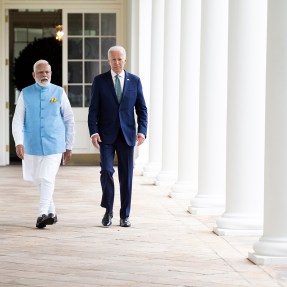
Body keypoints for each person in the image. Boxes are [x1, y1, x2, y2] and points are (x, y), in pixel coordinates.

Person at [88, 46, 148, 227]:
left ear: (125, 60)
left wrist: (142, 131)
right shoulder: (100, 81)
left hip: (127, 135)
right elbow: (93, 110)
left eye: (119, 59)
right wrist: (94, 131)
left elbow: (142, 109)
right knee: (106, 171)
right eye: (113, 59)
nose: (116, 62)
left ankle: (125, 215)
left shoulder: (135, 81)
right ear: (108, 61)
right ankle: (108, 211)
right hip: (105, 136)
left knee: (126, 176)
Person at [12, 59, 75, 229]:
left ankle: (42, 213)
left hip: (54, 143)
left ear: (51, 73)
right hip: (31, 144)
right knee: (38, 179)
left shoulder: (59, 92)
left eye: (47, 72)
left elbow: (69, 119)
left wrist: (69, 145)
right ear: (34, 75)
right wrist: (19, 142)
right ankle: (52, 212)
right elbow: (18, 120)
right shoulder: (25, 93)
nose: (44, 75)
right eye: (40, 72)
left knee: (47, 177)